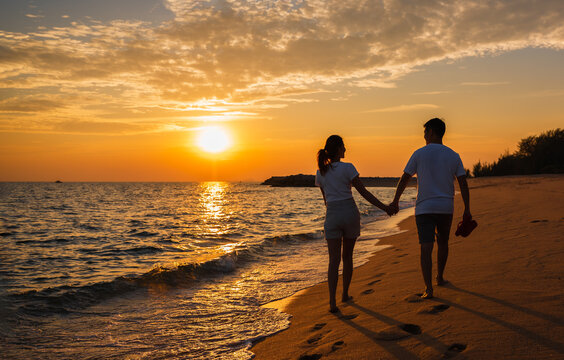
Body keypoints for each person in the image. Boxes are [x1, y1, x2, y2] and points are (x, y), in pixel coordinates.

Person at [390, 118, 471, 299]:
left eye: (425, 132)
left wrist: (395, 201)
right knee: (443, 243)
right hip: (445, 207)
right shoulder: (453, 155)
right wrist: (467, 208)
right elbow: (463, 184)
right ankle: (440, 277)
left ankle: (428, 288)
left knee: (425, 247)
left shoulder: (419, 154)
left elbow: (404, 178)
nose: (424, 135)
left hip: (424, 208)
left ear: (432, 132)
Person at [316, 135, 395, 313]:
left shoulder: (320, 172)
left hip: (332, 216)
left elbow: (326, 201)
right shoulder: (348, 168)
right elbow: (364, 193)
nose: (345, 150)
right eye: (343, 147)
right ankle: (344, 294)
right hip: (349, 214)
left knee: (333, 261)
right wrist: (385, 208)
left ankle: (332, 303)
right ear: (338, 149)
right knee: (347, 257)